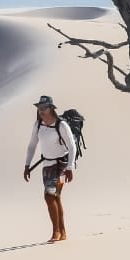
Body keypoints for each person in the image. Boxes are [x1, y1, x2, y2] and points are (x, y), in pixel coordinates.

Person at [22, 94, 76, 243]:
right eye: (39, 108)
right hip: (47, 165)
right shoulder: (38, 125)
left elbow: (72, 147)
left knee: (49, 195)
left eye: (44, 107)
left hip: (62, 164)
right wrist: (27, 165)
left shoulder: (61, 125)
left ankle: (56, 232)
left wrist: (70, 167)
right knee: (55, 197)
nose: (41, 110)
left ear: (51, 108)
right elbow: (32, 145)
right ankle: (62, 232)